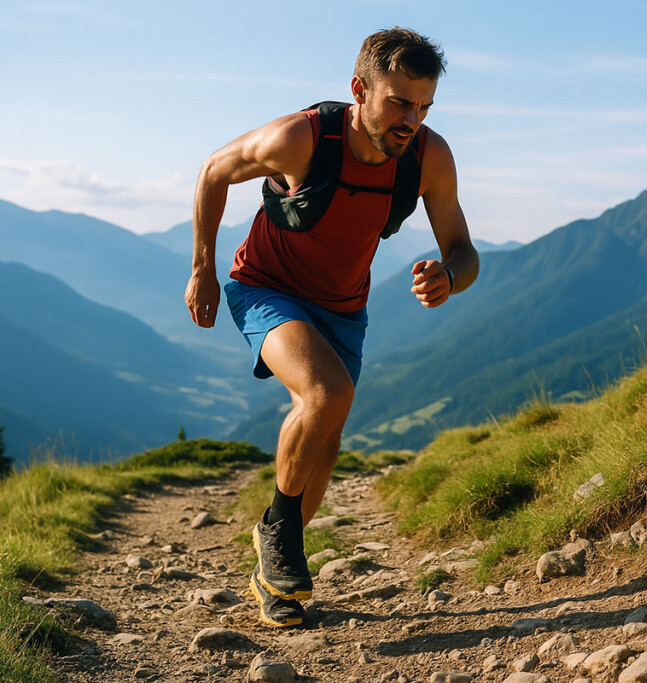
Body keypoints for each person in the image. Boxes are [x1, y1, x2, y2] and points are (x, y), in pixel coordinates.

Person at [184, 27, 479, 628]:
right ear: (359, 90)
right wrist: (202, 271)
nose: (411, 119)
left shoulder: (428, 156)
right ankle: (279, 535)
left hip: (344, 307)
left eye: (423, 106)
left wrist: (450, 277)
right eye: (399, 102)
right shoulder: (302, 139)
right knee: (327, 393)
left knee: (326, 438)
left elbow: (464, 251)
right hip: (265, 287)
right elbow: (215, 169)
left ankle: (274, 577)